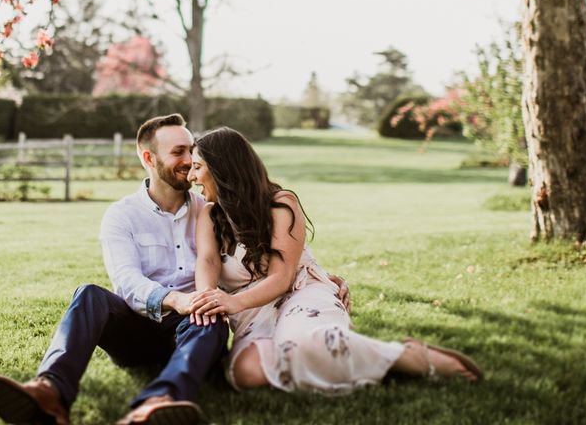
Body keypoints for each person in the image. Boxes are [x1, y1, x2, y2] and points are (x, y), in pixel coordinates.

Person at [185, 126, 483, 395]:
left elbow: (282, 277)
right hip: (251, 313)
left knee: (308, 343)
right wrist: (208, 298)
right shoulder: (210, 215)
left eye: (197, 167)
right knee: (247, 373)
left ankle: (408, 356)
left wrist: (231, 302)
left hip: (298, 292)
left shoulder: (280, 204)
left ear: (223, 168)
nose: (191, 176)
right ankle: (339, 359)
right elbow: (209, 261)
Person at [0, 114, 226, 425]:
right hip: (137, 332)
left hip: (192, 329)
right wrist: (174, 299)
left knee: (212, 316)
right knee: (89, 294)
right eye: (178, 152)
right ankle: (49, 391)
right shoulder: (121, 215)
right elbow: (126, 282)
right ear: (149, 158)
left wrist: (200, 302)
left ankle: (157, 403)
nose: (190, 159)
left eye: (191, 149)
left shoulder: (206, 210)